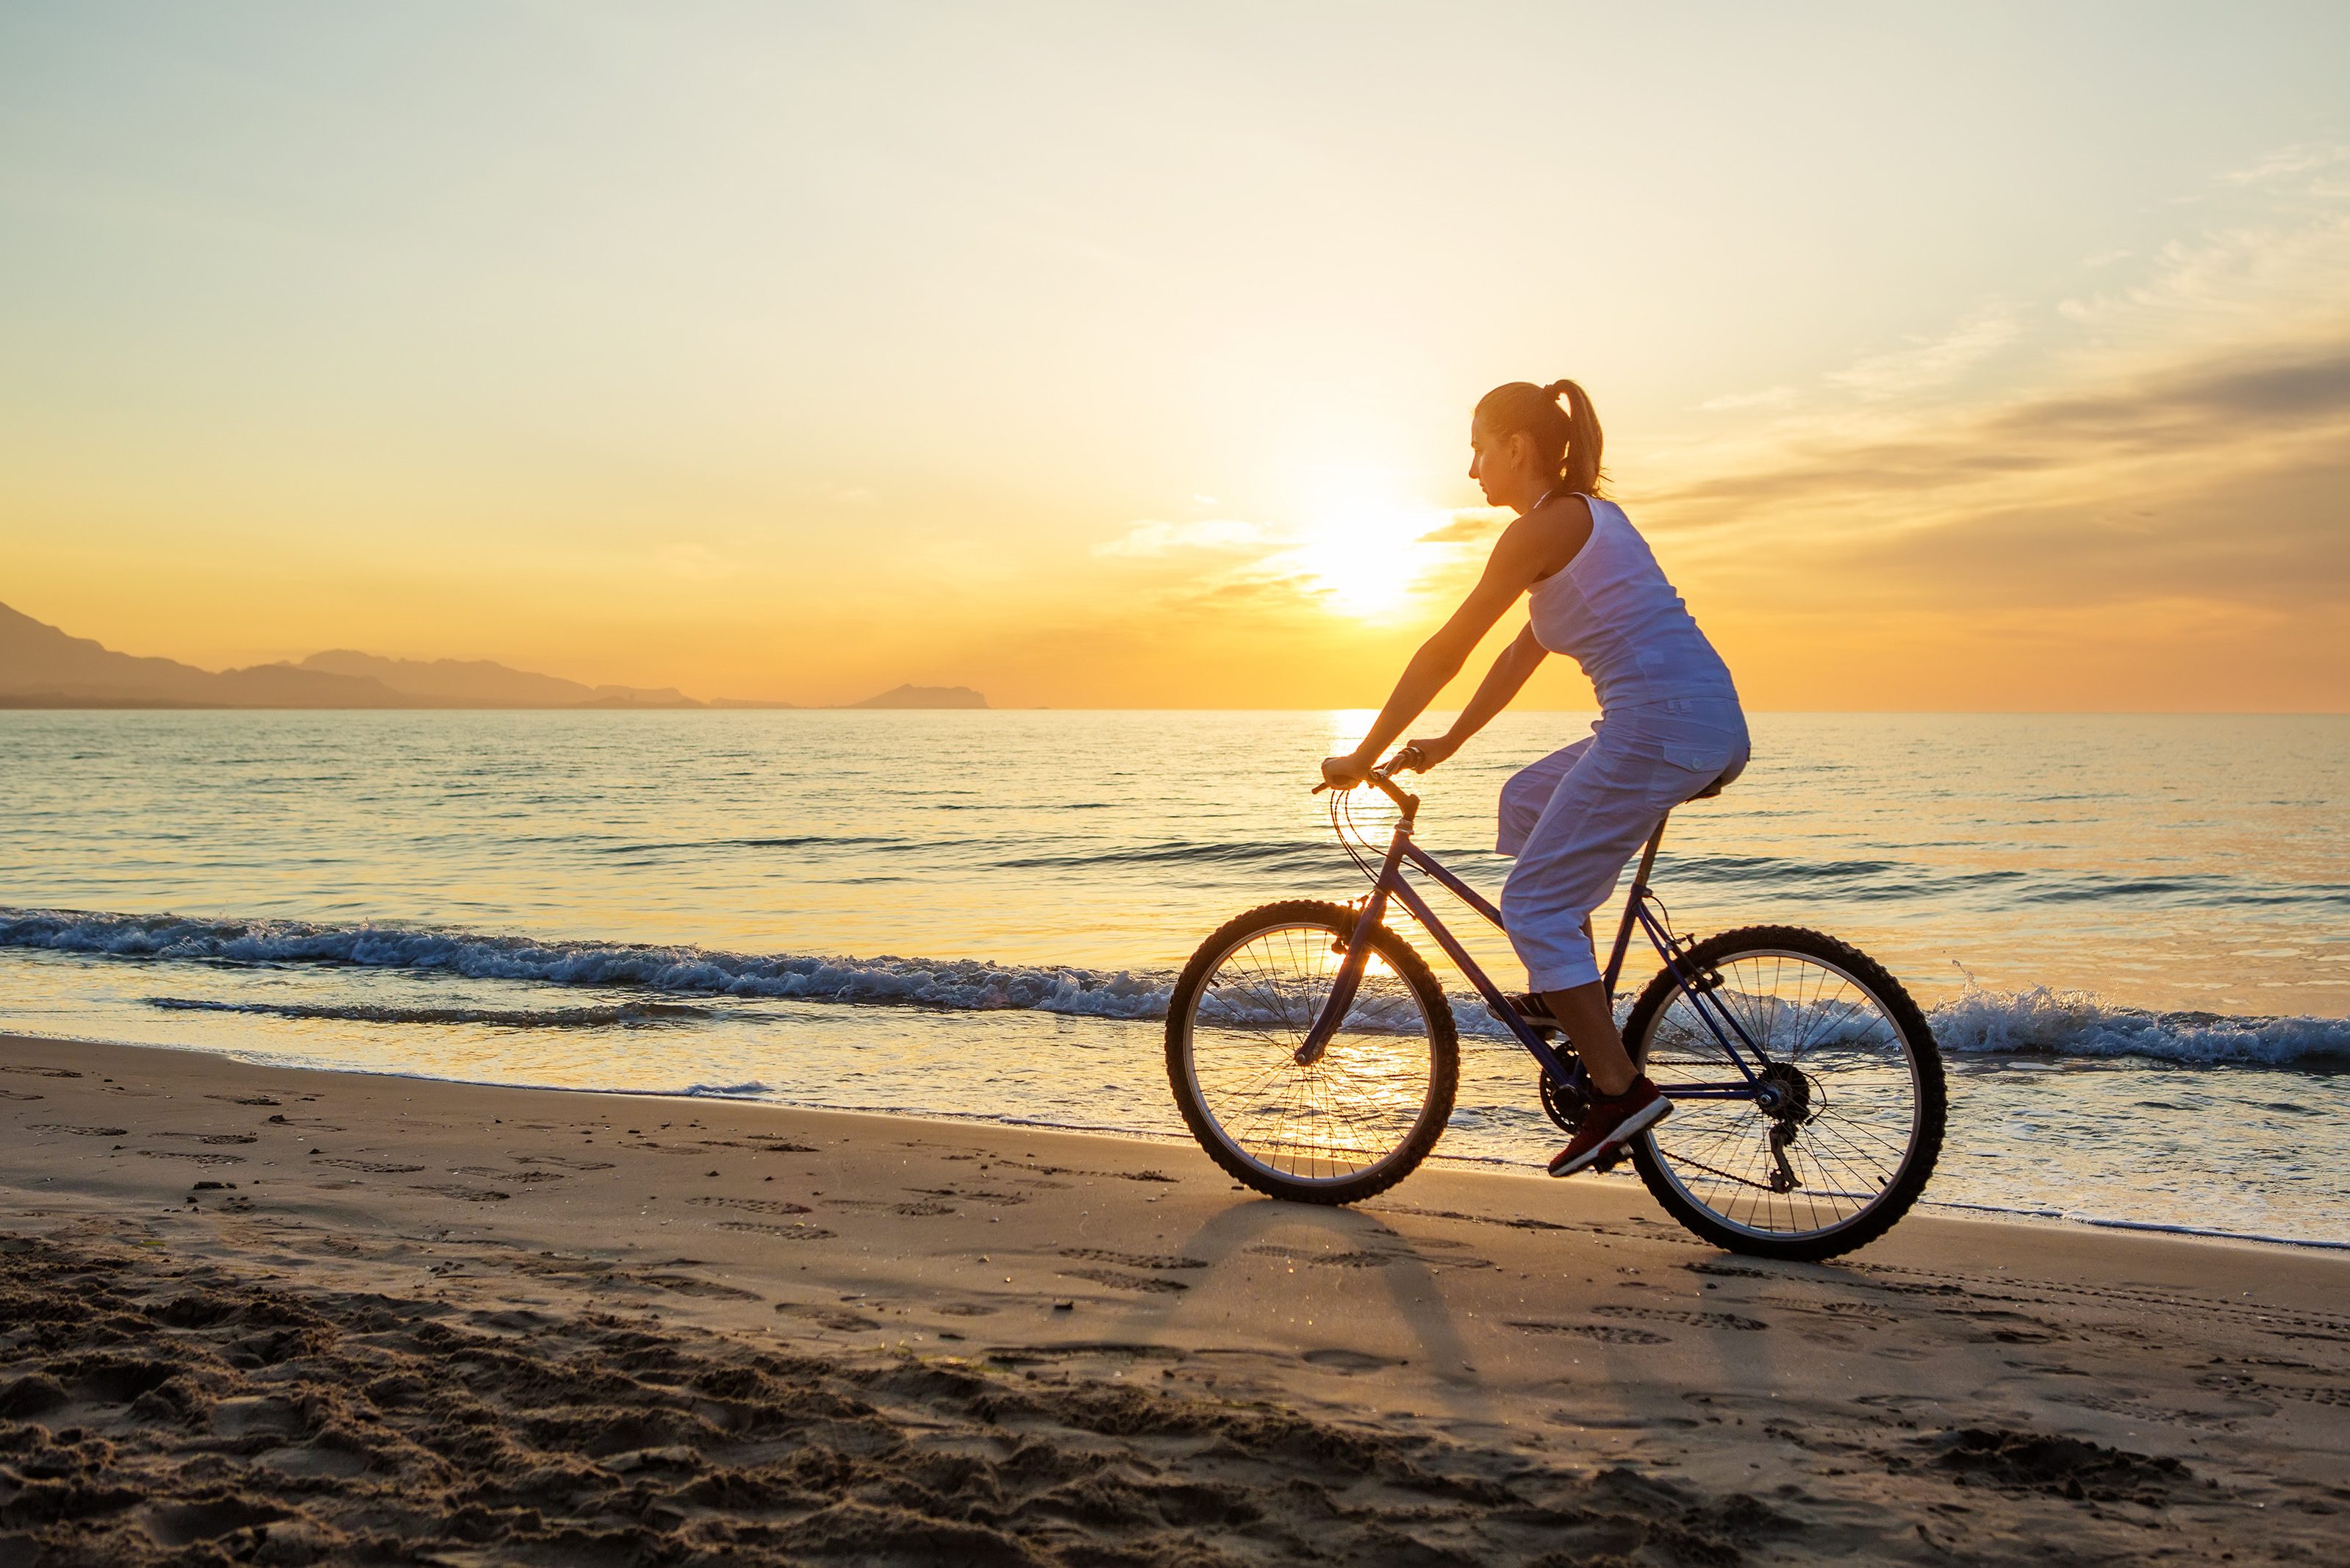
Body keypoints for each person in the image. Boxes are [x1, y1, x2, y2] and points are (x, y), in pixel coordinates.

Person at [1320, 379, 1749, 1177]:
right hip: (1699, 721)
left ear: (1516, 449)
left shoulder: (1543, 529)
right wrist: (1444, 742)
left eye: (1478, 447)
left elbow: (1446, 649)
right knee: (1522, 800)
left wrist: (1360, 749)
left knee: (1532, 903)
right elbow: (1518, 654)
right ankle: (1565, 993)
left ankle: (1618, 1090)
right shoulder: (1583, 522)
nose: (1471, 467)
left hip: (1657, 725)